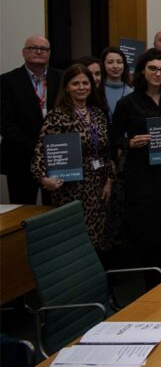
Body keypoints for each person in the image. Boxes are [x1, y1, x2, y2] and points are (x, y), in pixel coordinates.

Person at [110, 49, 161, 278]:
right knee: (149, 234)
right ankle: (152, 285)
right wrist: (129, 142)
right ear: (142, 71)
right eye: (153, 69)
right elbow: (113, 138)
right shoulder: (127, 103)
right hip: (143, 177)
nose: (158, 73)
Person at [31, 63, 115, 257]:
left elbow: (106, 152)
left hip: (98, 185)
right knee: (75, 241)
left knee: (98, 239)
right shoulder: (57, 116)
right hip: (71, 188)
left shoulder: (98, 114)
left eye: (85, 83)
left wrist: (109, 180)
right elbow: (41, 153)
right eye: (75, 83)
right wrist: (44, 179)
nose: (81, 87)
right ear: (67, 87)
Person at [1, 35, 63, 205]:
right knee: (23, 208)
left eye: (43, 49)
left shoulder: (61, 78)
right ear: (23, 52)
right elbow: (5, 123)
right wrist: (36, 145)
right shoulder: (7, 81)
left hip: (55, 156)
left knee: (54, 209)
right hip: (20, 157)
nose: (38, 52)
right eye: (33, 48)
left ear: (49, 53)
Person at [99, 47, 133, 119]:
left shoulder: (132, 92)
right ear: (103, 64)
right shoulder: (97, 90)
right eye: (110, 62)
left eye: (119, 62)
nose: (115, 66)